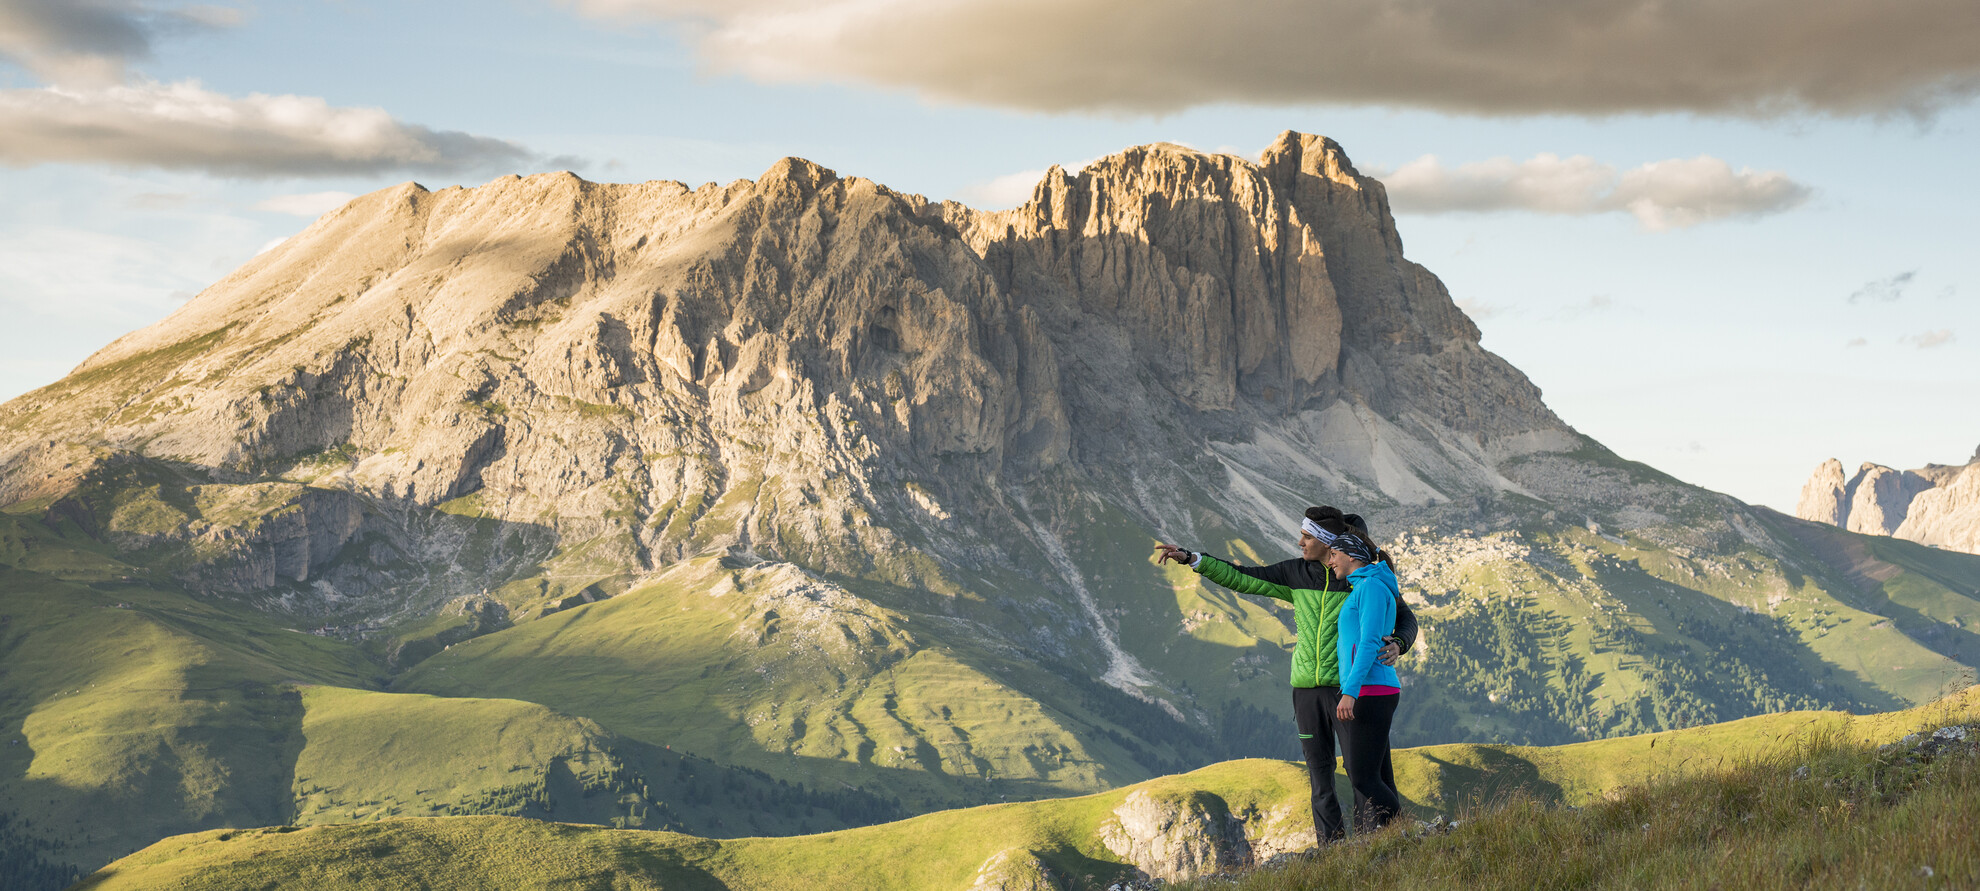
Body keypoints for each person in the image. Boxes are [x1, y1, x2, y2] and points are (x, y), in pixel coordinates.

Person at [1154, 507, 1416, 844]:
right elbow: (1243, 577)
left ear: (1330, 544)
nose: (1300, 542)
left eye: (1307, 537)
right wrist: (1193, 559)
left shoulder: (1359, 578)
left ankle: (1374, 847)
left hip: (1348, 688)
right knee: (1320, 776)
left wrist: (1398, 643)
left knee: (1362, 774)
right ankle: (1332, 852)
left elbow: (1404, 617)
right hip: (1305, 690)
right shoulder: (1297, 574)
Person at [1322, 529, 1405, 832]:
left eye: (1333, 554)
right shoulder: (1365, 587)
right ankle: (1397, 838)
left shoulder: (1370, 588)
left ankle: (1408, 832)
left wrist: (1350, 693)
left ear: (1351, 555)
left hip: (1371, 690)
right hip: (1373, 689)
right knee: (1375, 774)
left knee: (1361, 776)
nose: (1329, 561)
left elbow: (1369, 641)